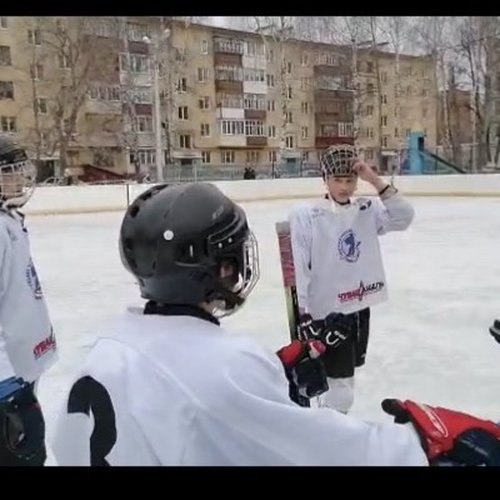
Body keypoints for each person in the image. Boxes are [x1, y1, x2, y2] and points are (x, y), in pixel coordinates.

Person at [50, 181, 500, 466]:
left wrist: (275, 382)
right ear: (219, 268)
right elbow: (321, 453)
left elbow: (180, 409)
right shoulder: (225, 368)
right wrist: (423, 444)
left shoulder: (99, 350)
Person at [288, 144, 414, 414]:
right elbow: (300, 267)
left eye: (350, 180)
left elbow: (403, 216)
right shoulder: (309, 215)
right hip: (328, 313)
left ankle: (331, 427)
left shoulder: (365, 210)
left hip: (358, 307)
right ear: (325, 179)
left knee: (343, 381)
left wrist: (374, 180)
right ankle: (334, 434)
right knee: (340, 387)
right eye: (337, 180)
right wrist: (304, 315)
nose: (345, 187)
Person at [0, 134, 57, 465]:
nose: (20, 178)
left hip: (18, 375)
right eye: (8, 171)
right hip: (7, 383)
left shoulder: (8, 220)